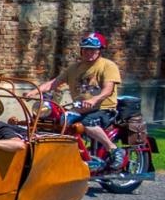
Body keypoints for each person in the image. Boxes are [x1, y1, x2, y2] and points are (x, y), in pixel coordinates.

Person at [37, 32, 123, 169]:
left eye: (93, 49)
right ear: (81, 50)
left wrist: (94, 99)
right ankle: (72, 155)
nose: (89, 52)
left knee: (87, 123)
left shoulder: (108, 66)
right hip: (80, 109)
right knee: (56, 122)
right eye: (86, 49)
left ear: (100, 50)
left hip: (103, 109)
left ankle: (114, 150)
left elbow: (108, 89)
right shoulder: (74, 68)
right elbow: (54, 83)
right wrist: (35, 91)